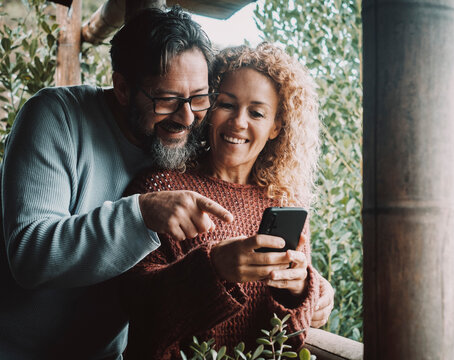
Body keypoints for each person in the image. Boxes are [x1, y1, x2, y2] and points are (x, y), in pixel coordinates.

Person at [0, 6, 332, 359]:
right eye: (168, 99)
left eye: (200, 98)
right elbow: (30, 257)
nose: (187, 117)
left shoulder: (175, 141)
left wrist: (308, 288)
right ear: (123, 87)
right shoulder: (57, 118)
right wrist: (141, 214)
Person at [118, 43, 322, 360]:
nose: (239, 122)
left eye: (256, 112)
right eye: (226, 105)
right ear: (208, 109)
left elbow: (290, 340)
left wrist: (298, 291)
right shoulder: (160, 187)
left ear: (276, 127)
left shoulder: (282, 202)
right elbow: (135, 310)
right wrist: (213, 269)